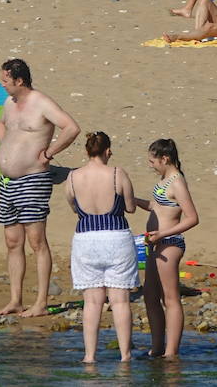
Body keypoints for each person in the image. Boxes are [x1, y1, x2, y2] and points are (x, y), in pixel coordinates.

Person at [0, 58, 80, 318]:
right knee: (12, 241)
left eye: (5, 80)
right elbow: (2, 124)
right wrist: (4, 146)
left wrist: (50, 152)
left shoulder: (41, 102)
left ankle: (41, 302)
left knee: (36, 240)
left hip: (32, 178)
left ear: (19, 80)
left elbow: (71, 127)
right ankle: (15, 300)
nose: (2, 84)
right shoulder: (9, 103)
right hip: (7, 182)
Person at [65, 131, 137, 363]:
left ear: (87, 151)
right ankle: (125, 356)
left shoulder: (73, 177)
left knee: (92, 302)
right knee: (120, 301)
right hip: (116, 237)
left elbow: (74, 207)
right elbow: (130, 207)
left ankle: (89, 356)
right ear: (107, 151)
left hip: (86, 239)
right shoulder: (117, 173)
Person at [134, 137, 200, 358]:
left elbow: (192, 218)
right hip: (155, 244)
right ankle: (157, 348)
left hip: (169, 243)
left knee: (170, 298)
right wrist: (132, 200)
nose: (150, 165)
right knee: (150, 295)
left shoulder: (177, 182)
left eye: (153, 161)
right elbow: (156, 205)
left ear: (165, 158)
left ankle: (171, 352)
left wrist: (162, 233)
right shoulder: (164, 179)